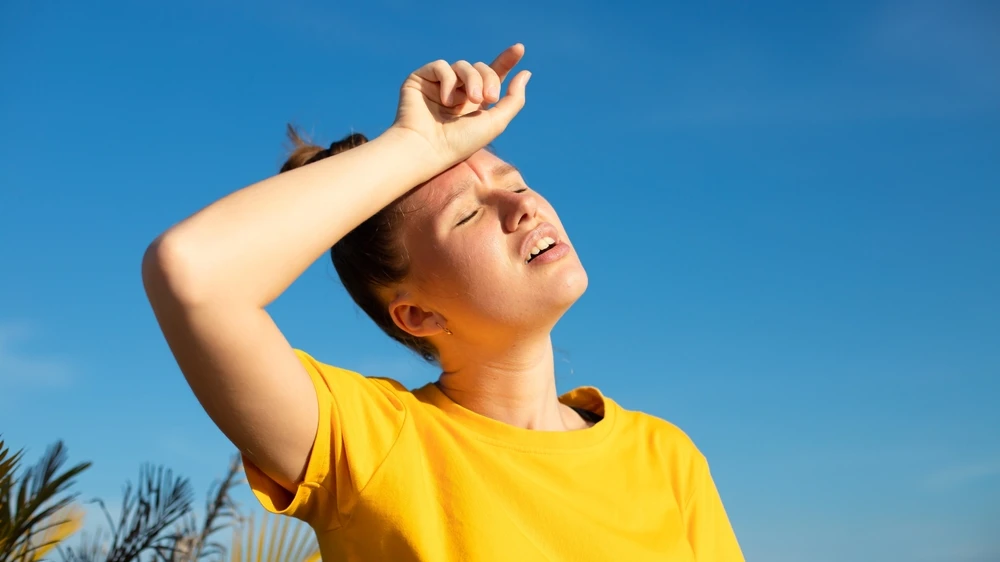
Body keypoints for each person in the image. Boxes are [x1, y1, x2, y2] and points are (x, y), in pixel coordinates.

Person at [142, 43, 744, 561]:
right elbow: (193, 272)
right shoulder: (372, 446)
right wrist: (411, 147)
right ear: (418, 314)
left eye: (515, 183)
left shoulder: (665, 456)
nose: (524, 206)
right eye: (469, 214)